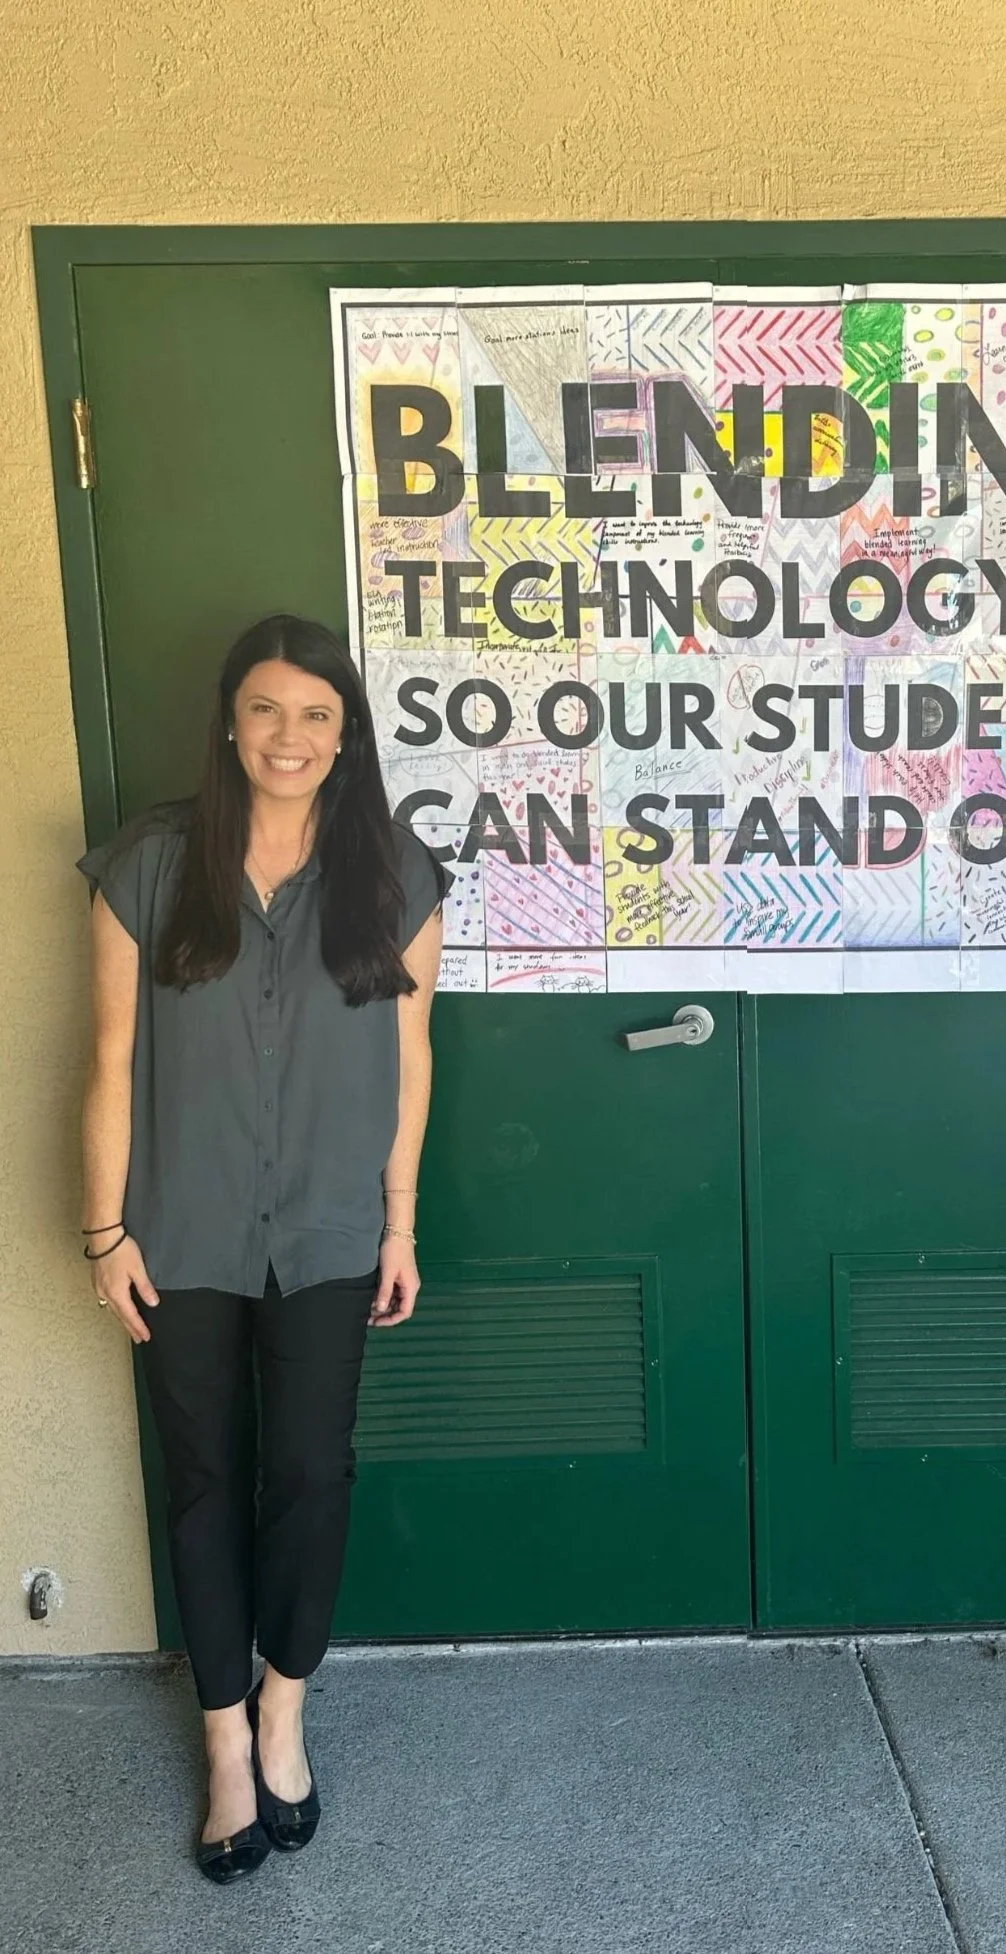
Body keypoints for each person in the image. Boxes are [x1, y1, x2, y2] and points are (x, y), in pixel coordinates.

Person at [76, 613, 448, 1884]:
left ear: (345, 735)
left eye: (317, 715)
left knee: (308, 1472)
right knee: (201, 1480)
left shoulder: (393, 870)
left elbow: (410, 1062)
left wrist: (401, 1220)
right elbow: (112, 1059)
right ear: (230, 723)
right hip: (177, 1230)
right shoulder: (151, 864)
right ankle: (224, 1740)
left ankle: (285, 1711)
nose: (289, 737)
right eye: (267, 711)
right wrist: (102, 1228)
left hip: (334, 1230)